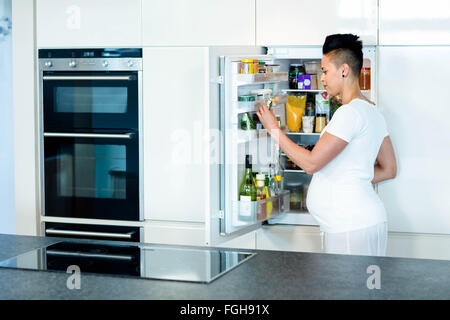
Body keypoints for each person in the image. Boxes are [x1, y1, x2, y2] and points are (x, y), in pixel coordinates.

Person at [256, 34, 397, 256]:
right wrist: (351, 176)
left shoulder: (349, 113)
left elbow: (311, 164)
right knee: (363, 290)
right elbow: (389, 169)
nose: (321, 78)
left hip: (350, 226)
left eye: (324, 71)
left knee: (346, 291)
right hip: (364, 222)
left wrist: (273, 128)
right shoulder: (372, 111)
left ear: (343, 70)